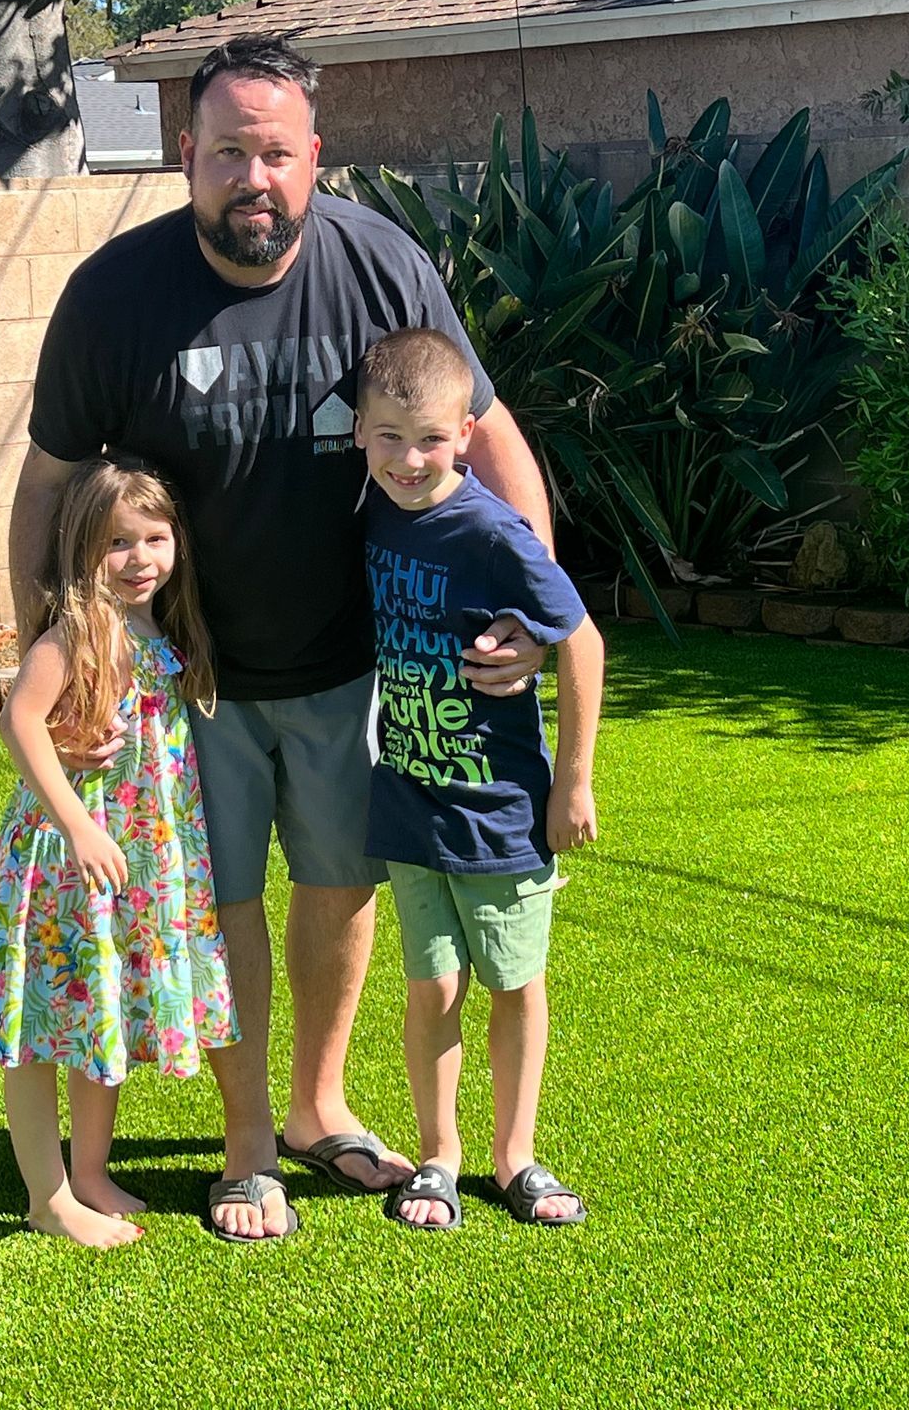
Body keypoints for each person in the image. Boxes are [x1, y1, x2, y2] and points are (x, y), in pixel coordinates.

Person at [8, 33, 553, 1242]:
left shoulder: (383, 264)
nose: (251, 177)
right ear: (185, 156)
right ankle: (245, 1140)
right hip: (181, 684)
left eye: (276, 153)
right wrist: (56, 668)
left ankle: (316, 1108)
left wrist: (530, 606)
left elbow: (492, 436)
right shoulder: (114, 295)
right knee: (217, 903)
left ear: (316, 159)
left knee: (341, 883)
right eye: (226, 153)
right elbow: (48, 488)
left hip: (355, 663)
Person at [0, 458, 280, 1249]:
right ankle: (48, 1195)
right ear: (80, 549)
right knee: (42, 1025)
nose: (140, 558)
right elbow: (20, 721)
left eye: (154, 537)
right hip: (68, 861)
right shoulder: (79, 632)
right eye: (116, 543)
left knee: (96, 1012)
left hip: (131, 856)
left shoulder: (157, 629)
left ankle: (91, 1171)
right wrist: (76, 822)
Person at [353, 329, 604, 1231]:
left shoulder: (493, 530)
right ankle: (439, 1155)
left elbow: (581, 642)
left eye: (428, 439)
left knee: (515, 982)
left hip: (500, 814)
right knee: (433, 988)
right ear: (359, 434)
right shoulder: (370, 510)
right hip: (409, 806)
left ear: (464, 432)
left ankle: (516, 1156)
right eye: (388, 438)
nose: (408, 460)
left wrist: (571, 783)